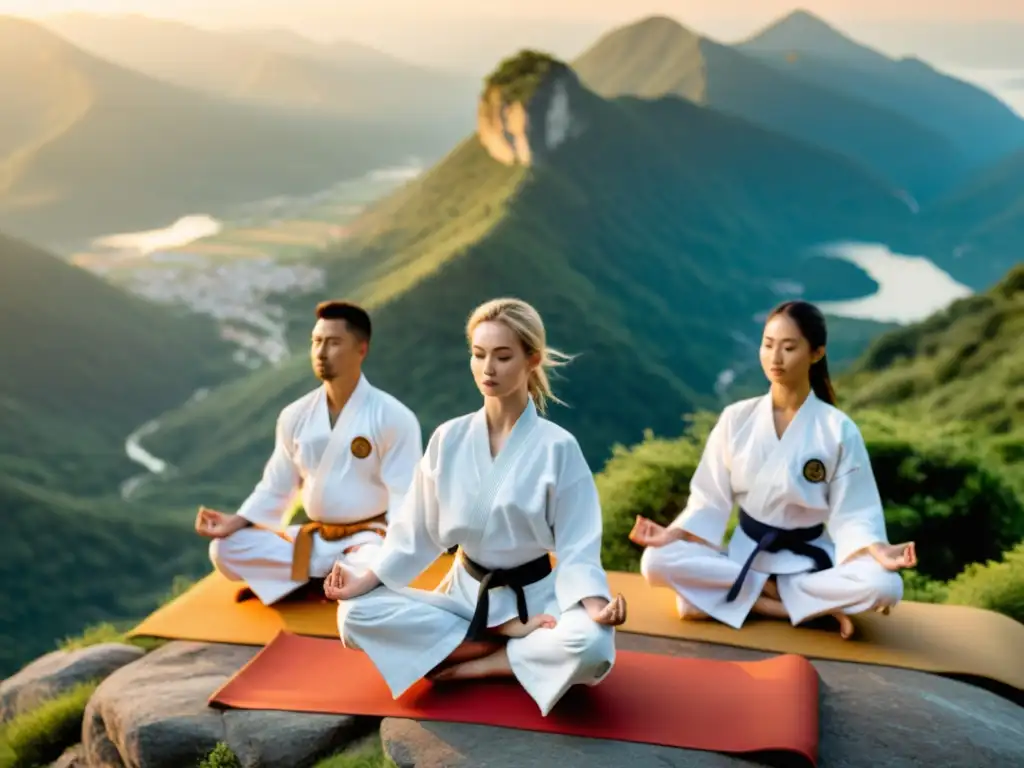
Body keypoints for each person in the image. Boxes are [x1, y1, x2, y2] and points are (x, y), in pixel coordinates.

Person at [324, 297, 626, 716]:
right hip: (463, 595)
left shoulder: (559, 448)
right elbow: (416, 532)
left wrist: (596, 605)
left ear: (532, 360)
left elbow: (577, 546)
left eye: (503, 357)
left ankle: (490, 662)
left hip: (537, 601)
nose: (488, 369)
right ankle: (497, 636)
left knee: (592, 646)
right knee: (353, 616)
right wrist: (368, 580)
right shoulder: (448, 439)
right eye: (479, 354)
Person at [631, 300, 917, 640]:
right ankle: (784, 605)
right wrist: (672, 535)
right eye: (768, 345)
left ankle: (734, 598)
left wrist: (877, 548)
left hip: (808, 563)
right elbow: (708, 500)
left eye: (789, 347)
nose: (775, 358)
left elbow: (855, 511)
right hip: (743, 556)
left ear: (816, 353)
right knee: (655, 561)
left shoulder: (837, 429)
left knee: (885, 586)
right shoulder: (736, 418)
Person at [194, 300, 423, 605]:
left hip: (368, 540)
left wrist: (396, 551)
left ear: (361, 350)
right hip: (315, 539)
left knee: (377, 562)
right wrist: (235, 521)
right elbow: (277, 485)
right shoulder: (295, 415)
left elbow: (404, 496)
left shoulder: (393, 417)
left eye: (334, 342)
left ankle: (313, 580)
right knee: (224, 549)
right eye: (316, 342)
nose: (321, 352)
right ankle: (322, 579)